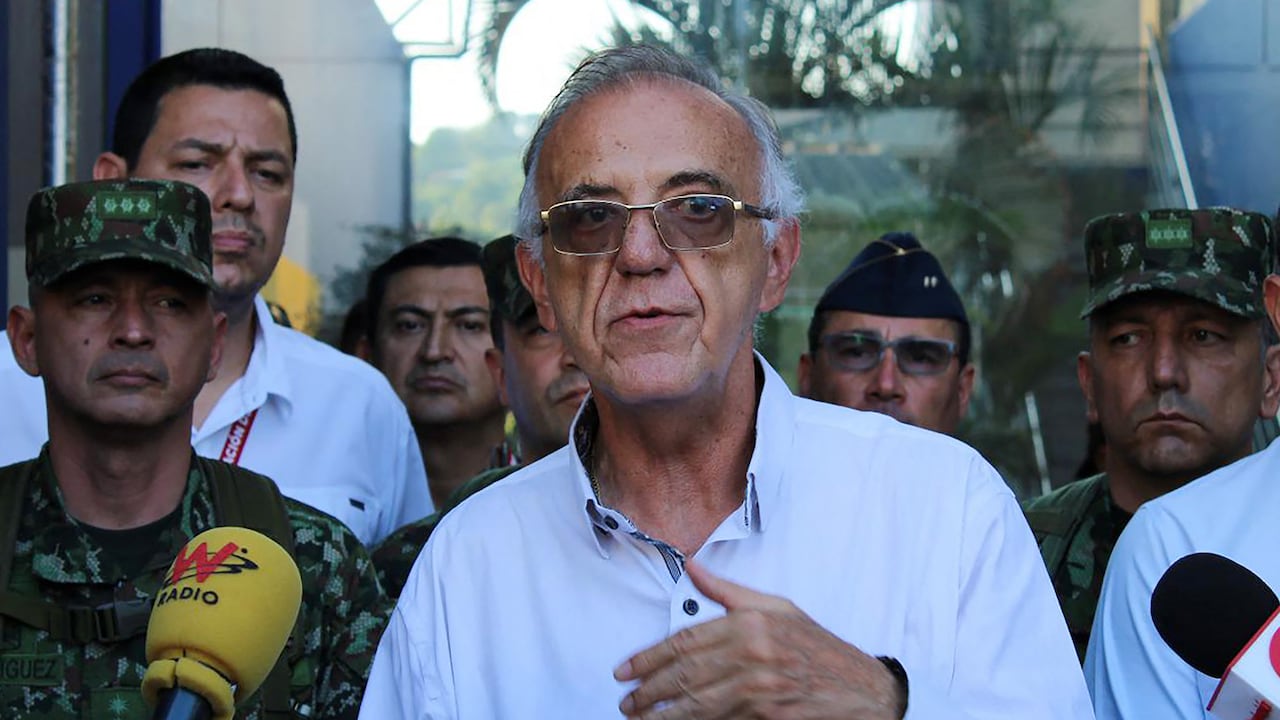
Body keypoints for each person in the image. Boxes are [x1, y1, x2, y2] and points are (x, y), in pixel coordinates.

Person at [359, 45, 1089, 719]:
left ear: (776, 262)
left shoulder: (945, 508)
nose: (640, 254)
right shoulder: (469, 561)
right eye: (589, 219)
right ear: (540, 285)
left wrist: (889, 704)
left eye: (700, 211)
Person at [0, 179, 386, 719]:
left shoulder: (312, 563)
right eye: (94, 298)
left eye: (168, 302)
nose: (133, 331)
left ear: (213, 344)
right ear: (27, 338)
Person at [83, 47, 430, 546]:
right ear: (114, 183)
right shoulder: (13, 387)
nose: (239, 194)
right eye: (198, 163)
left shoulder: (358, 405)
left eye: (267, 173)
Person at [1024, 208, 1280, 664]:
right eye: (1128, 338)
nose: (1164, 372)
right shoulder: (1020, 553)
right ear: (1088, 383)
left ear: (1271, 379)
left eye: (1204, 335)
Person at [370, 234, 588, 597]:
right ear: (499, 372)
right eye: (542, 330)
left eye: (469, 324)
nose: (435, 352)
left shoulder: (697, 532)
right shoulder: (416, 558)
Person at [363, 237, 508, 508]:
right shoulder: (336, 484)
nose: (434, 351)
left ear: (510, 355)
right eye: (409, 325)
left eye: (469, 325)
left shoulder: (556, 488)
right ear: (366, 353)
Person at [798, 232, 975, 435]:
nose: (886, 385)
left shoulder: (978, 469)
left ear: (962, 390)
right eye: (856, 353)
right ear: (807, 377)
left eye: (921, 358)